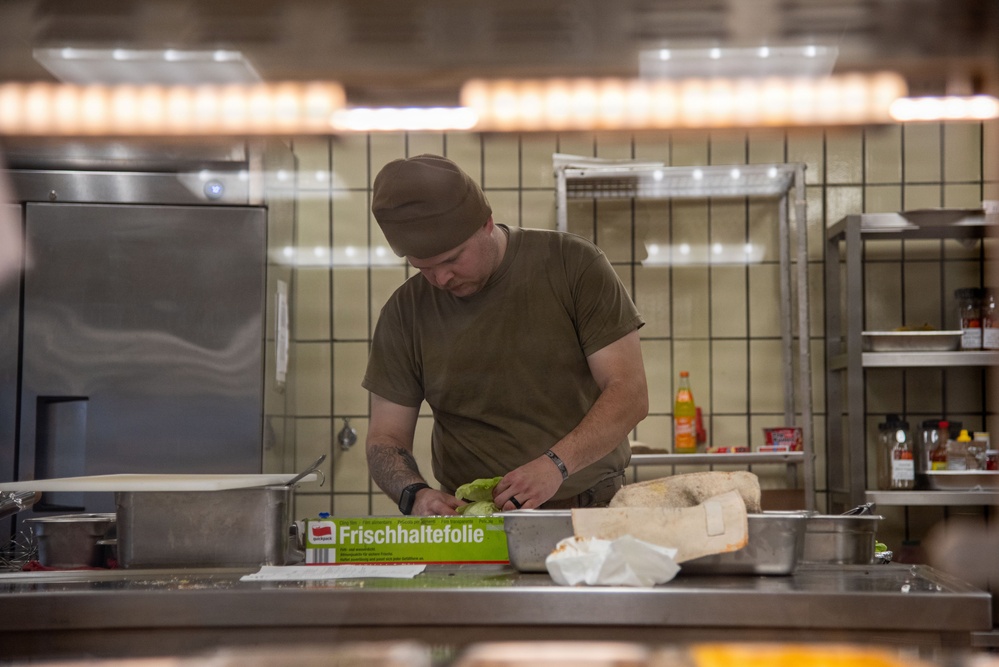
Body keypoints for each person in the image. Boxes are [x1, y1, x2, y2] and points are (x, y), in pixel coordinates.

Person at [362, 154, 648, 516]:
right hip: (473, 524)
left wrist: (555, 465)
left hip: (589, 512)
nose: (441, 279)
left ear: (486, 223)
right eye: (423, 267)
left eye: (452, 259)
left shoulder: (573, 265)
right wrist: (414, 493)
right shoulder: (405, 312)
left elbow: (629, 392)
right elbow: (385, 438)